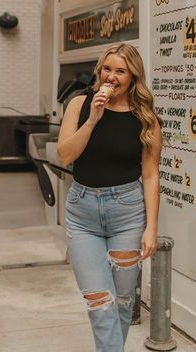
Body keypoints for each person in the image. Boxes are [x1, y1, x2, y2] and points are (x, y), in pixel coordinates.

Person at [58, 43, 162, 352]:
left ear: (132, 77)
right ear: (99, 71)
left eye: (120, 71)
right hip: (82, 213)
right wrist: (93, 118)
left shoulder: (146, 118)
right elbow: (65, 155)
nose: (112, 76)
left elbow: (152, 174)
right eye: (107, 69)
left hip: (127, 213)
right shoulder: (79, 104)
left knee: (122, 302)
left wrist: (151, 227)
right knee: (99, 303)